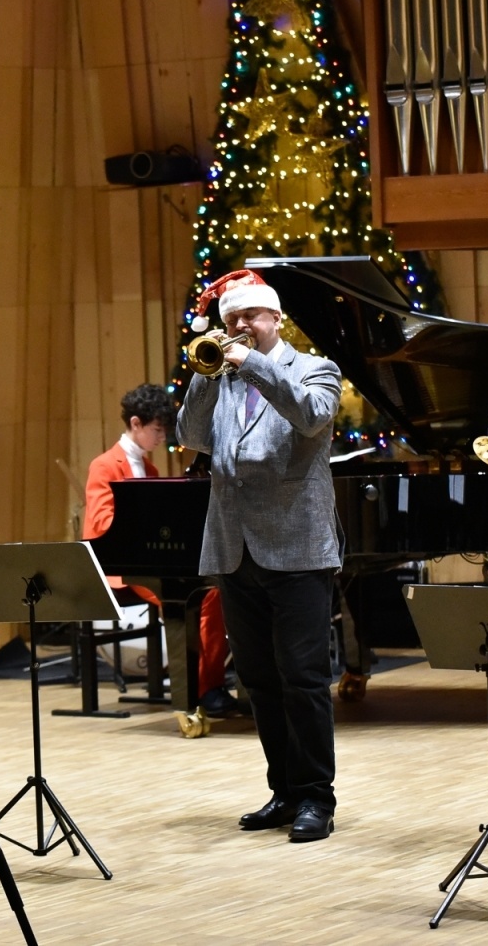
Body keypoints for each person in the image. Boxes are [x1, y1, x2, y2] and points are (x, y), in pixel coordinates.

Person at [176, 270, 342, 843]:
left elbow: (313, 416)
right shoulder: (220, 373)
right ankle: (284, 790)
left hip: (298, 547)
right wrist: (206, 370)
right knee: (260, 681)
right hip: (234, 545)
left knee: (303, 678)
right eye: (230, 321)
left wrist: (252, 364)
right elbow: (191, 434)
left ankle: (317, 797)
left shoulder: (314, 368)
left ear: (275, 318)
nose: (238, 327)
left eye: (249, 317)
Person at [83, 383, 235, 716]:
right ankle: (205, 688)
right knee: (204, 598)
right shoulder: (105, 465)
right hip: (121, 565)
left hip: (147, 559)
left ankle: (204, 684)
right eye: (157, 430)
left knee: (210, 593)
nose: (162, 438)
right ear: (135, 424)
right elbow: (102, 522)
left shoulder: (149, 469)